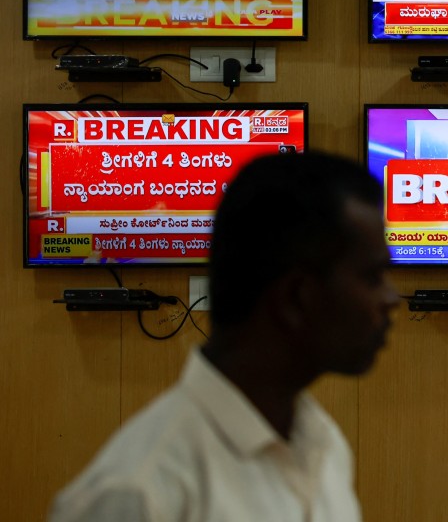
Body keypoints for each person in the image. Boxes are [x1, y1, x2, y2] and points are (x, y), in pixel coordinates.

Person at [48, 152, 400, 522]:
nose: (392, 300)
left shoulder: (323, 445)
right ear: (296, 298)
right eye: (373, 277)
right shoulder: (138, 493)